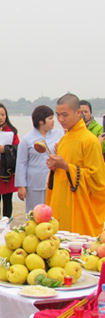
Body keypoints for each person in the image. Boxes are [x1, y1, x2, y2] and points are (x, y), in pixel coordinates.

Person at [46, 94, 105, 237]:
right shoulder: (64, 139)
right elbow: (60, 173)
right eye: (58, 115)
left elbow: (98, 181)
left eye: (65, 115)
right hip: (61, 203)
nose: (61, 120)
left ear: (78, 113)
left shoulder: (90, 141)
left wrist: (67, 167)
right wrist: (54, 168)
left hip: (79, 208)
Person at [15, 106, 63, 213]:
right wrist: (21, 186)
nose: (53, 121)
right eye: (50, 118)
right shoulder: (27, 139)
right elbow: (21, 163)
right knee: (35, 214)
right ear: (41, 121)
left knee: (53, 213)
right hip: (34, 183)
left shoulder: (59, 135)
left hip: (54, 181)